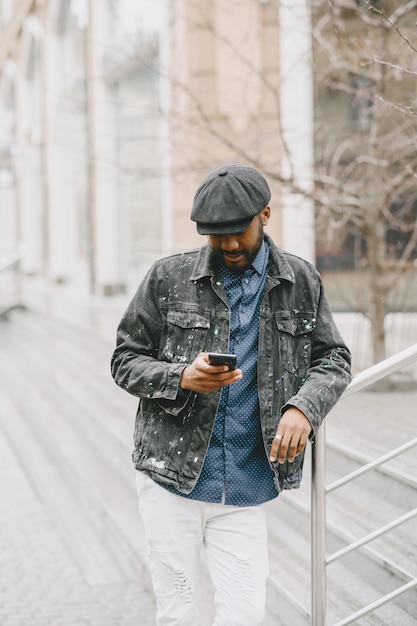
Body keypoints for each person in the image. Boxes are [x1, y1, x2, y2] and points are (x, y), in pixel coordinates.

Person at [111, 164, 351, 626]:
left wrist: (305, 407)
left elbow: (334, 358)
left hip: (246, 483)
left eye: (236, 232)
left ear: (265, 214)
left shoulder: (301, 281)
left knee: (244, 615)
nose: (227, 245)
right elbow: (124, 360)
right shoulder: (167, 277)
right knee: (178, 614)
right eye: (214, 235)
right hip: (170, 479)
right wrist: (182, 377)